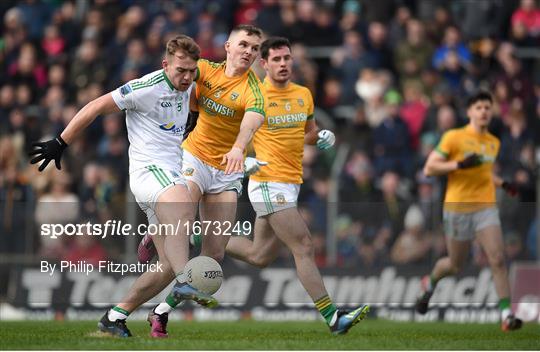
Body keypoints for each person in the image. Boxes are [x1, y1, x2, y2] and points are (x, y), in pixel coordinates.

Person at [29, 35, 217, 338]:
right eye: (180, 70)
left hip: (171, 174)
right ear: (165, 64)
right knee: (183, 207)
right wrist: (60, 142)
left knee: (167, 263)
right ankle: (185, 277)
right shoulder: (145, 88)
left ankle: (115, 316)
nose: (187, 77)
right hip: (148, 172)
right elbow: (95, 106)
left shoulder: (191, 84)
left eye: (191, 71)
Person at [224, 36, 370, 335]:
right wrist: (245, 158)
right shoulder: (254, 95)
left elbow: (306, 132)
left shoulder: (303, 94)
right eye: (276, 59)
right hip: (266, 181)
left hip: (291, 182)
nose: (283, 64)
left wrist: (321, 136)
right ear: (263, 64)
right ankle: (333, 318)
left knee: (258, 256)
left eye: (287, 58)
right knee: (303, 245)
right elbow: (230, 136)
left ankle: (199, 237)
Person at [138, 24, 267, 338]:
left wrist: (238, 147)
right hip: (194, 156)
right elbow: (174, 81)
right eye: (244, 44)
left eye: (254, 47)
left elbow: (250, 123)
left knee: (214, 257)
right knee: (181, 211)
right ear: (227, 46)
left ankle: (160, 312)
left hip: (227, 170)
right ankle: (155, 233)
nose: (249, 51)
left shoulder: (255, 91)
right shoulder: (205, 70)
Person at [415, 91, 522, 332]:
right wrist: (459, 165)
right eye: (479, 107)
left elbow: (483, 173)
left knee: (497, 258)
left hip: (485, 206)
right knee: (454, 265)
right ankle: (429, 283)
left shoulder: (494, 142)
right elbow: (430, 168)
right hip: (457, 207)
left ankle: (507, 315)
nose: (484, 111)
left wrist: (503, 183)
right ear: (469, 112)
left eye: (487, 107)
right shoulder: (455, 137)